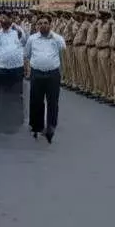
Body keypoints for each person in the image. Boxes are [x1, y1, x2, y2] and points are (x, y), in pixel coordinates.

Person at [24, 14, 64, 143]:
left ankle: (51, 125)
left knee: (53, 101)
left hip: (52, 74)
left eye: (46, 23)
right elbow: (27, 54)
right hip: (37, 73)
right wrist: (30, 69)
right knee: (36, 101)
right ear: (37, 26)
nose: (43, 25)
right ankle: (37, 126)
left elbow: (62, 50)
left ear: (50, 25)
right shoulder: (32, 39)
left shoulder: (57, 38)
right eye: (40, 23)